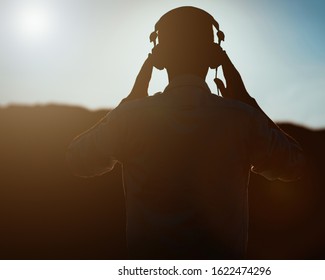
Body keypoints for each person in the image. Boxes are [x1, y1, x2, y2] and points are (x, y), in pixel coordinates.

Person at [66, 6, 304, 259]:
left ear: (158, 58)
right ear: (215, 57)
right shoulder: (243, 118)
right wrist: (249, 103)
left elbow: (77, 160)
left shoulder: (129, 117)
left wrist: (126, 104)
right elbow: (295, 165)